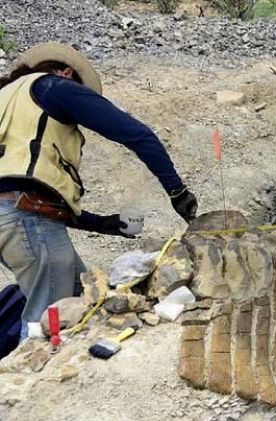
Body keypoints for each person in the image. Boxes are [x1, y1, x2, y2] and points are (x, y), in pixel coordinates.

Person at [0, 42, 198, 338]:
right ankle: (30, 380)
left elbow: (22, 190)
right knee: (47, 329)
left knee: (81, 296)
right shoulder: (56, 86)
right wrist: (177, 191)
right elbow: (137, 134)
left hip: (18, 220)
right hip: (25, 220)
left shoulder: (7, 100)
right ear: (67, 72)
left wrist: (105, 224)